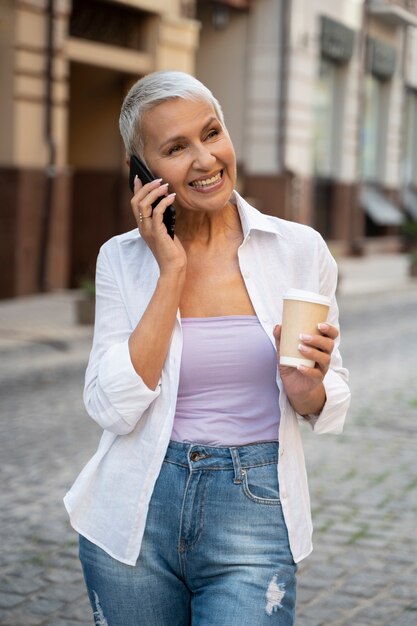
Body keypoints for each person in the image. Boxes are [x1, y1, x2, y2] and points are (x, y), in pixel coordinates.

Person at [64, 70, 350, 625]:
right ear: (141, 173)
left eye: (211, 133)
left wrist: (308, 390)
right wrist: (170, 269)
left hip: (254, 511)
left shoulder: (297, 249)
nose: (205, 159)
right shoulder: (121, 260)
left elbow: (331, 392)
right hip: (134, 514)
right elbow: (113, 408)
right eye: (175, 148)